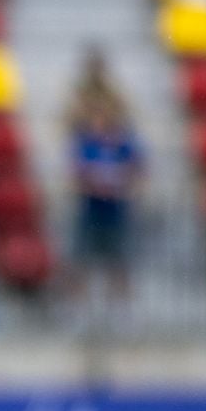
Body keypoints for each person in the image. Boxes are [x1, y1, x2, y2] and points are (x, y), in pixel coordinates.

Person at [70, 97, 143, 299]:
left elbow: (137, 171)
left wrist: (122, 186)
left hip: (117, 208)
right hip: (90, 208)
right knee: (82, 259)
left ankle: (120, 306)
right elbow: (77, 173)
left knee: (119, 261)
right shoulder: (86, 144)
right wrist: (92, 185)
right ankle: (80, 305)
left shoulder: (124, 144)